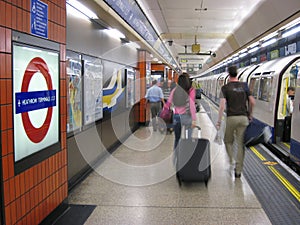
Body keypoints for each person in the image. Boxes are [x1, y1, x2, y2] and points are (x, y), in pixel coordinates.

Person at [216, 65, 255, 178]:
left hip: (231, 118)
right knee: (241, 144)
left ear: (228, 74)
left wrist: (219, 121)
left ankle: (231, 160)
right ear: (237, 74)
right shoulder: (244, 86)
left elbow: (222, 106)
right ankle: (238, 170)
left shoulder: (225, 88)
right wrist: (250, 114)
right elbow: (252, 102)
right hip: (243, 118)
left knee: (228, 141)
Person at [164, 73, 197, 155]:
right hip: (187, 117)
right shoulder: (191, 90)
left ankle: (176, 156)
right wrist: (194, 119)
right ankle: (187, 156)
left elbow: (168, 103)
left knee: (177, 138)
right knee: (188, 138)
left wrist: (165, 113)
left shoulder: (175, 90)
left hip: (176, 117)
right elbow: (192, 105)